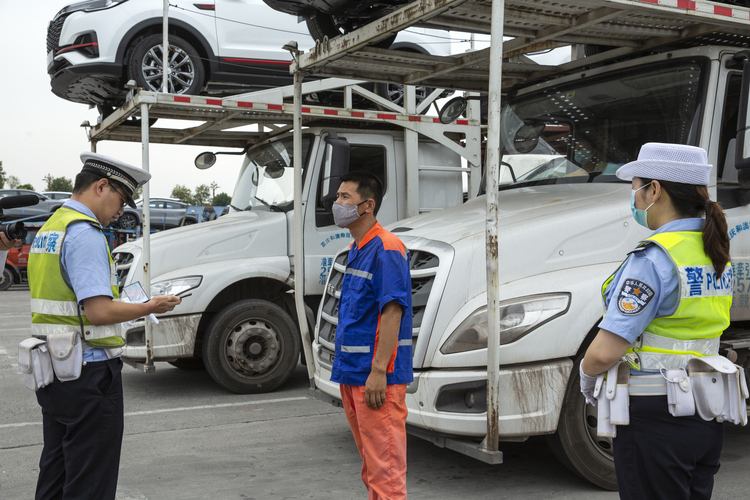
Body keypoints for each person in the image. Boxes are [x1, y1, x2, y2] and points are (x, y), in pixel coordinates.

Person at [579, 143, 733, 499]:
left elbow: (604, 353)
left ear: (655, 190)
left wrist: (588, 381)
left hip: (656, 414)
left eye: (635, 188)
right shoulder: (715, 249)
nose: (633, 198)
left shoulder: (653, 258)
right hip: (707, 409)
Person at [28, 152, 182, 500]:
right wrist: (148, 306)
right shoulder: (85, 234)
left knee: (56, 470)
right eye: (122, 199)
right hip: (88, 374)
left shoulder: (51, 228)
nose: (121, 211)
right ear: (101, 186)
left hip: (54, 371)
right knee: (90, 481)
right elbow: (97, 312)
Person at [329, 171, 413, 500]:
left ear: (367, 205)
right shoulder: (357, 247)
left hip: (376, 377)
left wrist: (378, 371)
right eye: (338, 197)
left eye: (344, 198)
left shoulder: (387, 248)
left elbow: (393, 312)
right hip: (353, 373)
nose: (338, 204)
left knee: (386, 470)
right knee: (372, 466)